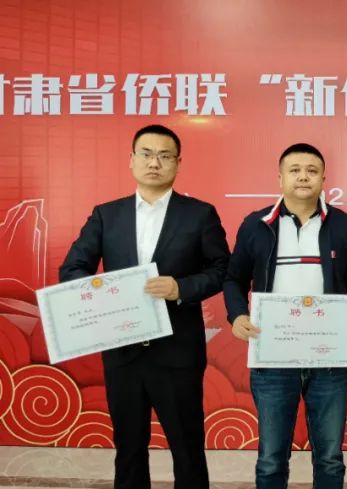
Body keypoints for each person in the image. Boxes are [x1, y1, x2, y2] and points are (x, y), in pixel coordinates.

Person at [59, 124, 230, 489]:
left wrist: (181, 287)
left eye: (165, 156)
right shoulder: (107, 215)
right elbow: (72, 269)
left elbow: (222, 270)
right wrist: (105, 295)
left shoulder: (200, 214)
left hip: (178, 352)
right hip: (123, 352)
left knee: (187, 449)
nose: (155, 163)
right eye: (147, 154)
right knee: (129, 449)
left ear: (178, 163)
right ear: (132, 160)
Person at [224, 143, 347, 489]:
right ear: (280, 178)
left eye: (312, 170)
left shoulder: (344, 225)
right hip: (273, 356)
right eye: (295, 170)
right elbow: (233, 279)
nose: (303, 176)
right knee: (271, 458)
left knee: (330, 457)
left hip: (329, 358)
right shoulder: (256, 225)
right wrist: (237, 315)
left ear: (323, 179)